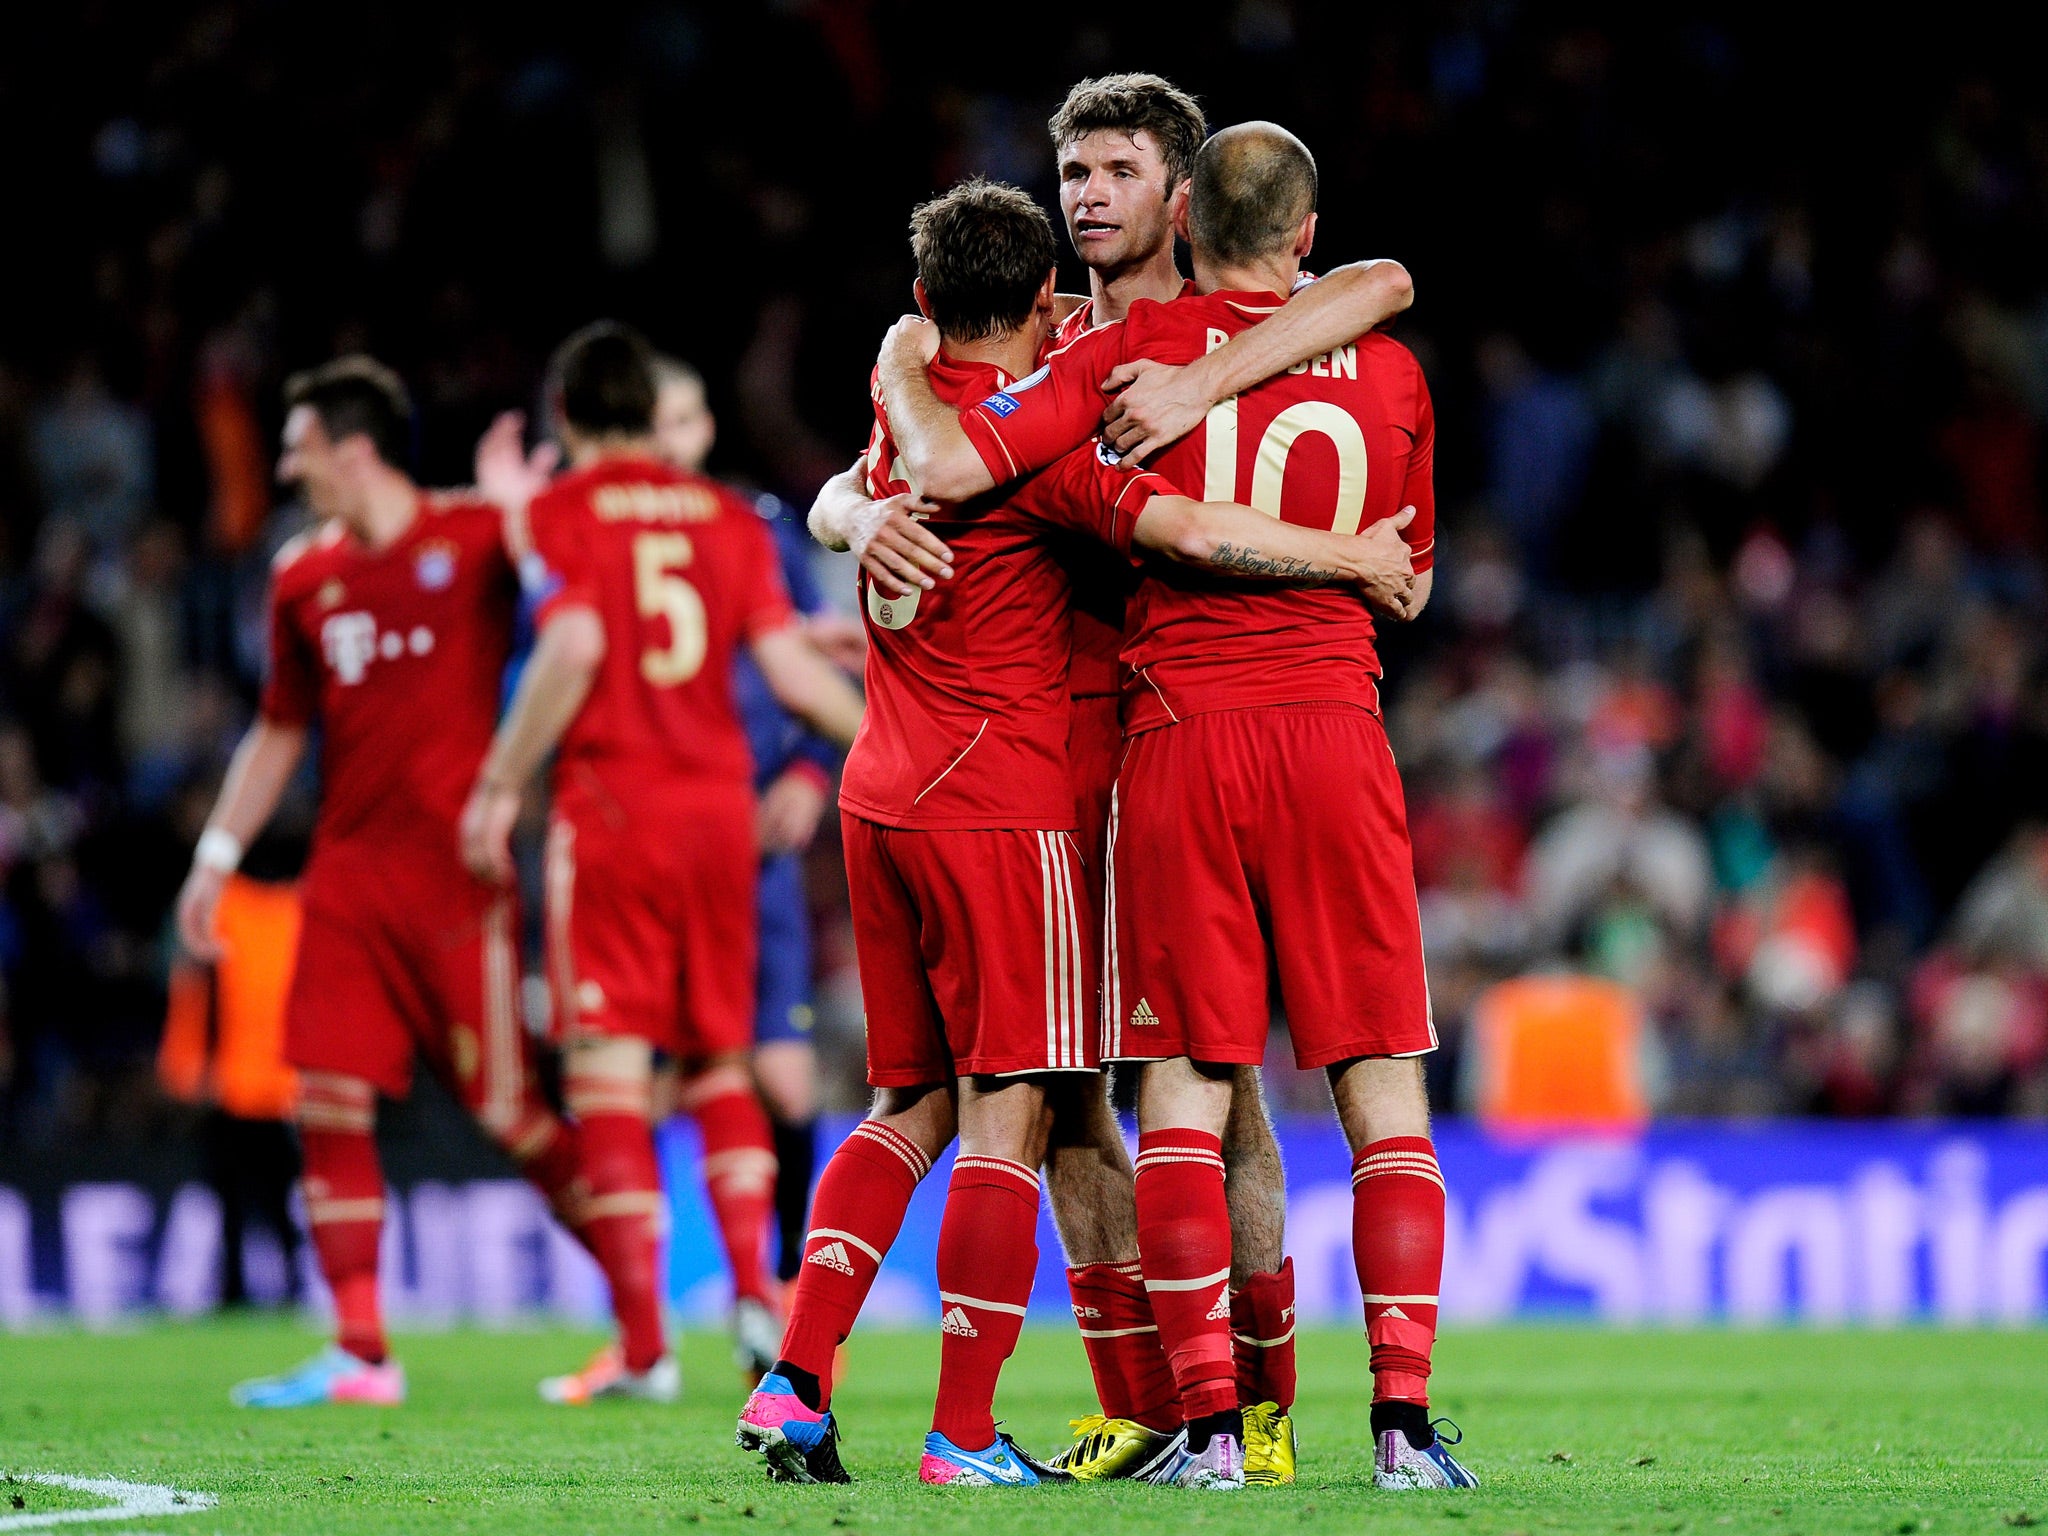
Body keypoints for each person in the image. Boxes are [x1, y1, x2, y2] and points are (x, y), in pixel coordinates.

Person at [739, 178, 1417, 1490]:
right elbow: (1194, 526)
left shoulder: (902, 415)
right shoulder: (1044, 458)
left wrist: (854, 504)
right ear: (1049, 305)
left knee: (907, 1106)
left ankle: (797, 1382)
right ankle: (963, 1435)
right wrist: (1353, 562)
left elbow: (845, 481)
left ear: (924, 305)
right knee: (1019, 1119)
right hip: (1004, 808)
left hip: (879, 794)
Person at [177, 356, 602, 1408]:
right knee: (323, 1100)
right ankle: (362, 1351)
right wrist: (216, 855)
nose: (285, 465)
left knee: (512, 1113)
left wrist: (520, 517)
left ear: (352, 450)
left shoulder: (470, 536)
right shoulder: (301, 578)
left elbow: (577, 608)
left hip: (461, 880)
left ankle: (645, 1323)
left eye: (297, 445)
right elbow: (278, 731)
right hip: (347, 879)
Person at [459, 322, 863, 1406]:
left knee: (609, 1075)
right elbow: (787, 669)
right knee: (719, 1061)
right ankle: (748, 1296)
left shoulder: (563, 509)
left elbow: (577, 642)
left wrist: (502, 780)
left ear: (570, 422)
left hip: (615, 815)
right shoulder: (729, 521)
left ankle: (642, 1346)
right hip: (719, 822)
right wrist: (881, 744)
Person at [651, 353, 840, 1376]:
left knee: (779, 1074)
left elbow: (810, 658)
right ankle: (643, 1332)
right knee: (629, 1080)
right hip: (641, 837)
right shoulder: (595, 532)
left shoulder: (753, 527)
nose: (668, 440)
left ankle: (781, 1308)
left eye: (682, 417)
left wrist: (814, 766)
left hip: (748, 839)